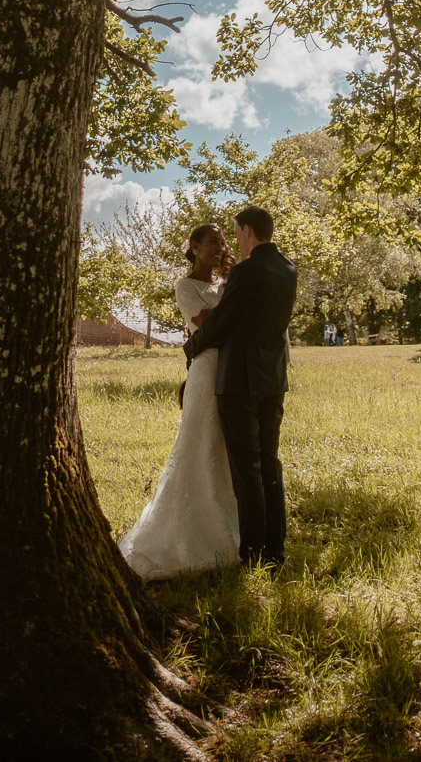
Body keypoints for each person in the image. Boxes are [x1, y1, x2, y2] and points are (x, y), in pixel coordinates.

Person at [118, 224, 240, 580]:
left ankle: (230, 524)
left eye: (222, 243)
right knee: (199, 442)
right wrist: (231, 299)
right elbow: (203, 323)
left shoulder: (224, 285)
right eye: (212, 242)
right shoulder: (186, 286)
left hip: (232, 370)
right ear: (195, 247)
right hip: (206, 369)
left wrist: (230, 286)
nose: (219, 248)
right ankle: (190, 531)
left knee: (226, 445)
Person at [184, 205, 297, 568]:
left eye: (234, 231)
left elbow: (219, 325)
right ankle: (275, 550)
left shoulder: (247, 272)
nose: (233, 240)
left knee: (246, 467)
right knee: (269, 463)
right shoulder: (288, 268)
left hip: (239, 381)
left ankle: (252, 552)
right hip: (273, 379)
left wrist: (191, 348)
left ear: (247, 230)